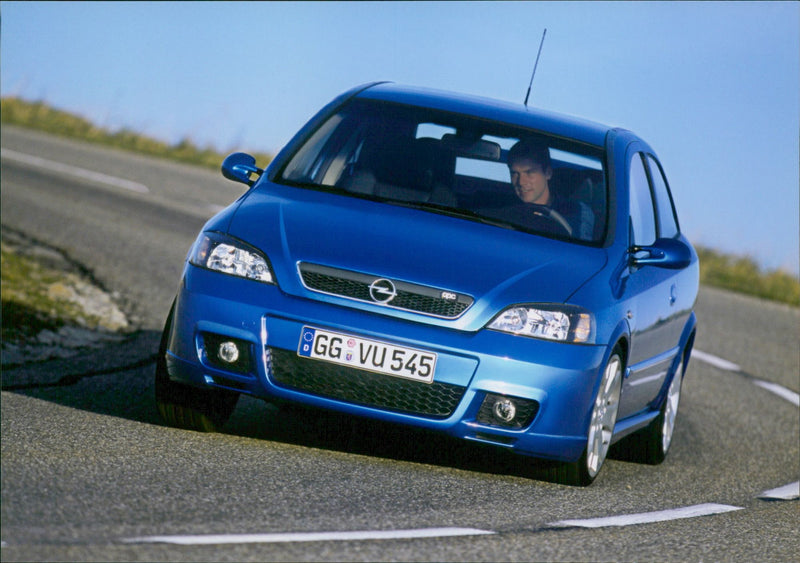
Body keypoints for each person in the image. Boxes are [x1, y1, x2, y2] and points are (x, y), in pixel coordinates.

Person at [505, 140, 595, 240]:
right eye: (514, 174)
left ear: (548, 173)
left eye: (529, 172)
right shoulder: (506, 207)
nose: (521, 182)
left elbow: (579, 251)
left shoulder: (577, 212)